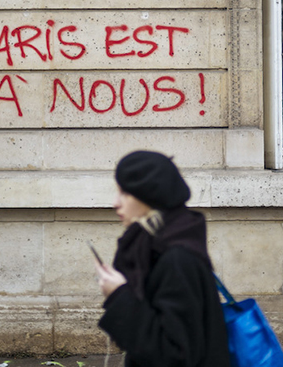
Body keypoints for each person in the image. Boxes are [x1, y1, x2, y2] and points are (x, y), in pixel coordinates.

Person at [94, 150, 230, 367]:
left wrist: (119, 296)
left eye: (125, 194)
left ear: (149, 196)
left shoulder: (176, 258)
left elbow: (174, 355)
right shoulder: (155, 245)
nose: (115, 203)